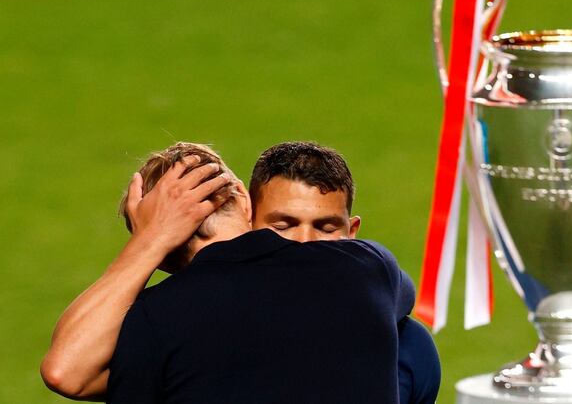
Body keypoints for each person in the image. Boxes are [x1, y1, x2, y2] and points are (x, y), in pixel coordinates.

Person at [41, 142, 439, 403]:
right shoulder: (366, 268)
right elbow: (400, 299)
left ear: (158, 259)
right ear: (247, 204)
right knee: (412, 345)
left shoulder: (155, 318)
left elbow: (65, 372)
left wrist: (148, 241)